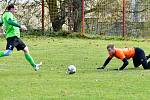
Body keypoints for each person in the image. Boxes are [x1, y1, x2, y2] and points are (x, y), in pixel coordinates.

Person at [0, 4, 42, 71]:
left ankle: (34, 65)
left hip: (16, 37)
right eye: (15, 9)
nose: (16, 11)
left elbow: (1, 22)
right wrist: (20, 26)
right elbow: (9, 21)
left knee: (26, 49)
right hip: (12, 37)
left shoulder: (6, 15)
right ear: (11, 9)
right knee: (7, 52)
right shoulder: (8, 14)